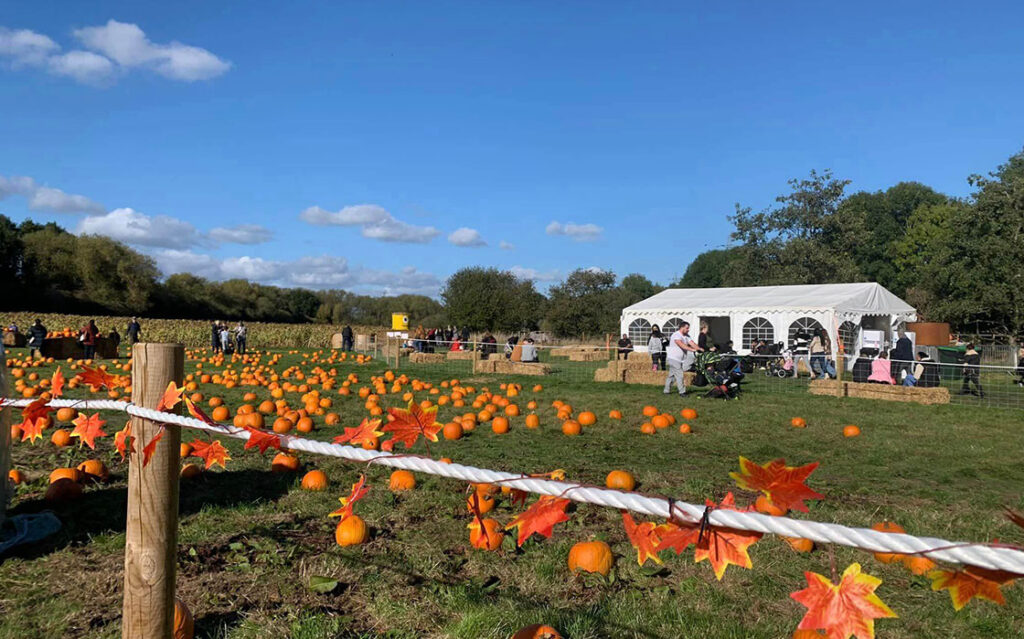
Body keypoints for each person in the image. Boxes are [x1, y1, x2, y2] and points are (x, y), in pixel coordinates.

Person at [664, 321, 701, 396]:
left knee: (672, 376)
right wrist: (692, 350)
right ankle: (682, 392)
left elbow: (692, 343)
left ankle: (666, 391)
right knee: (679, 375)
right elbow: (681, 345)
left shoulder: (687, 336)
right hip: (674, 358)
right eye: (687, 328)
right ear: (682, 327)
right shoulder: (676, 335)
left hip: (680, 359)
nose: (688, 330)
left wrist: (700, 349)